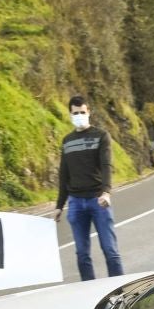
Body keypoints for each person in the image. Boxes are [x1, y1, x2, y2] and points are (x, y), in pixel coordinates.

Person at [53, 94, 123, 281]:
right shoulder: (67, 141)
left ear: (88, 112)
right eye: (75, 113)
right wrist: (60, 205)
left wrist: (106, 192)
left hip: (98, 201)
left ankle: (120, 290)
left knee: (110, 250)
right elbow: (64, 175)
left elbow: (107, 165)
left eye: (82, 112)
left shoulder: (101, 136)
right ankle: (89, 292)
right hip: (76, 203)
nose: (79, 116)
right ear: (70, 114)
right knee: (82, 255)